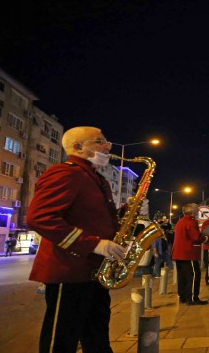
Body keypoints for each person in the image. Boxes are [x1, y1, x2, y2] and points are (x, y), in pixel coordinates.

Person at [26, 126, 126, 352]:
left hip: (93, 272)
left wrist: (125, 215)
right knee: (61, 340)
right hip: (69, 271)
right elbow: (39, 218)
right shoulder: (66, 172)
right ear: (78, 147)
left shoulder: (94, 177)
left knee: (97, 337)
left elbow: (91, 218)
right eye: (100, 141)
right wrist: (94, 244)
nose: (108, 146)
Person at [172, 203, 209, 305]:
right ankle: (192, 298)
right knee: (194, 275)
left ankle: (183, 296)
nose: (198, 211)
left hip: (179, 253)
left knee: (182, 275)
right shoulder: (191, 222)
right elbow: (196, 237)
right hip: (188, 253)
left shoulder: (180, 221)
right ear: (192, 211)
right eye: (196, 209)